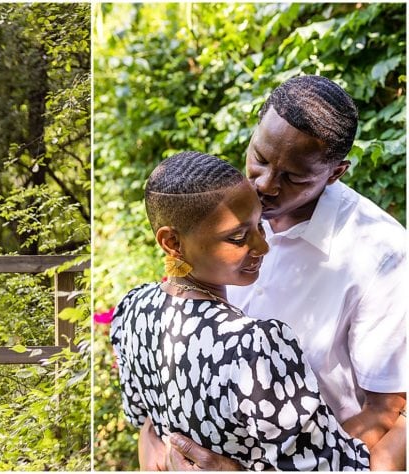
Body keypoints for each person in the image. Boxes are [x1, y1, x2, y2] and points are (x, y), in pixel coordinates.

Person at [139, 76, 407, 471]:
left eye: (293, 177)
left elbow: (385, 412)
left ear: (336, 173)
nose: (264, 185)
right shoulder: (222, 203)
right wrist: (158, 442)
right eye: (260, 159)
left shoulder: (383, 256)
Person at [111, 151, 370, 470]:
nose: (263, 247)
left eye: (259, 225)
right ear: (172, 243)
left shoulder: (131, 311)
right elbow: (336, 467)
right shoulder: (254, 347)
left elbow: (144, 423)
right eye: (237, 237)